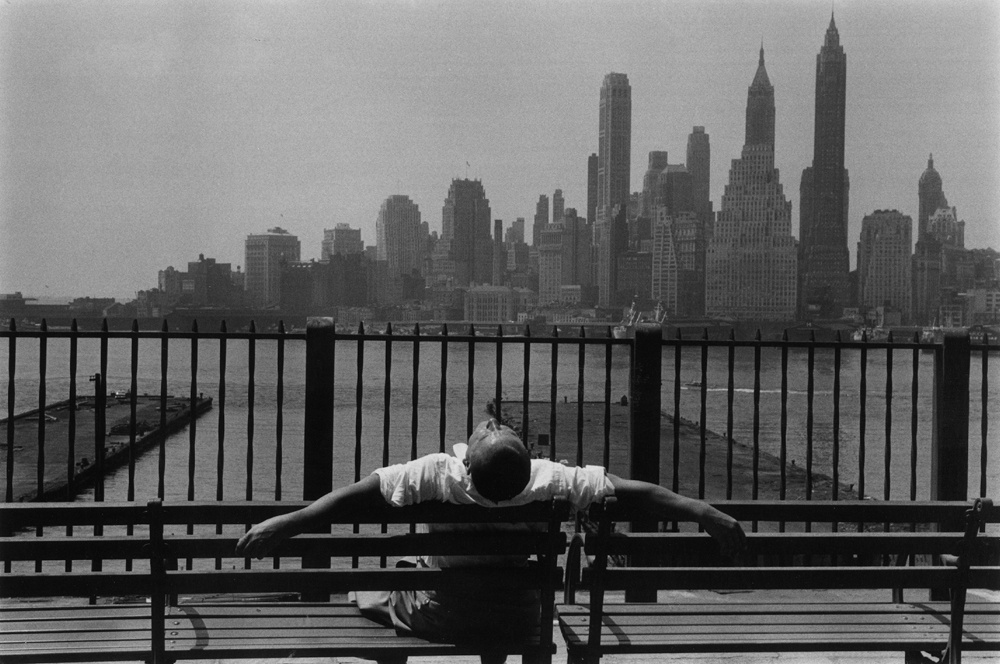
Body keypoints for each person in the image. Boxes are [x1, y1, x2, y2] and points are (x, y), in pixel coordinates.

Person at [236, 418, 746, 663]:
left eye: (488, 429)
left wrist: (287, 522)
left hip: (447, 613)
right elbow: (635, 493)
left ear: (468, 460)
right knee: (503, 589)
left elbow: (354, 497)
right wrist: (703, 512)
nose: (489, 423)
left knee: (389, 583)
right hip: (519, 615)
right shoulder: (548, 480)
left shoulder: (437, 474)